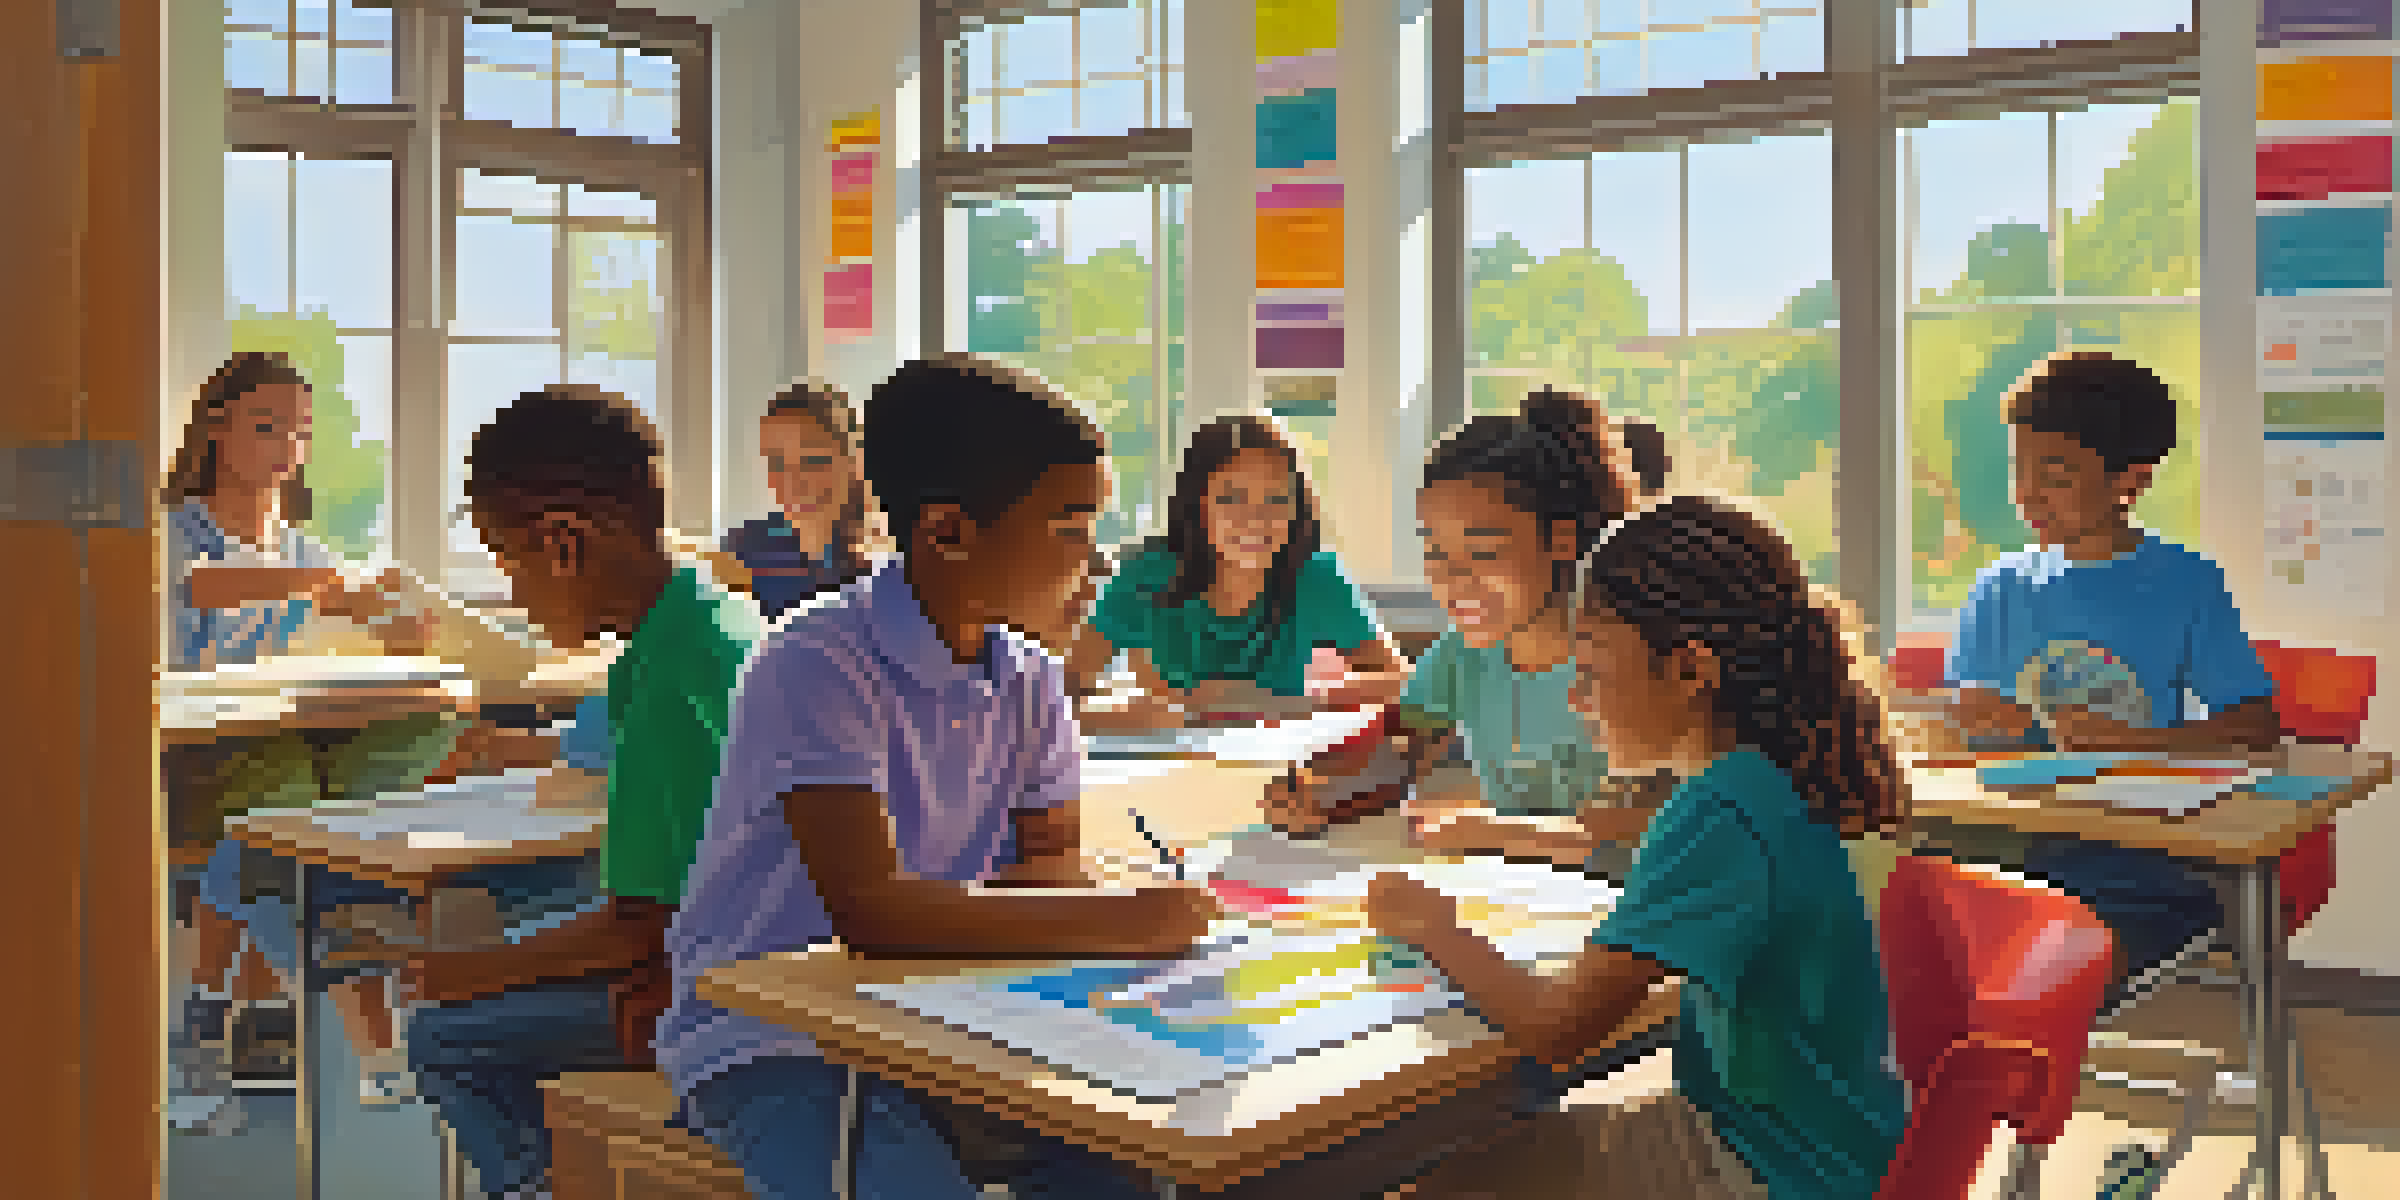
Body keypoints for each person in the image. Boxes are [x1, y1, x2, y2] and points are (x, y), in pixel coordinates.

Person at [656, 355, 1221, 1200]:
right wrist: (1131, 919)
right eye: (1070, 528)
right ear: (948, 531)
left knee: (1141, 1170)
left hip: (950, 1012)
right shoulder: (816, 661)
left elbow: (1048, 865)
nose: (1096, 562)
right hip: (781, 1039)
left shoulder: (1030, 678)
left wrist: (1117, 900)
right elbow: (874, 912)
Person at [1372, 494, 1910, 1198]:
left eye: (1592, 673)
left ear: (1689, 672)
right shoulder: (1775, 777)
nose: (1576, 700)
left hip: (1770, 1171)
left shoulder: (1721, 810)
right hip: (1821, 1144)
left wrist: (1432, 924)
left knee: (1438, 1185)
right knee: (1480, 1165)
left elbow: (1557, 1028)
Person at [401, 385, 764, 1200]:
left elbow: (642, 929)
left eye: (508, 561)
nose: (514, 594)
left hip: (721, 997)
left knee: (440, 1037)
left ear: (564, 542)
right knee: (525, 928)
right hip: (744, 963)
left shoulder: (669, 679)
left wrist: (473, 972)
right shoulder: (718, 619)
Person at [163, 351, 467, 1122]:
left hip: (285, 740)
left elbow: (353, 608)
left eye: (299, 433)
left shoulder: (301, 546)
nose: (287, 449)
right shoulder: (175, 532)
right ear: (217, 428)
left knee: (390, 768)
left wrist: (401, 623)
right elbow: (203, 585)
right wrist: (326, 587)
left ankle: (213, 1019)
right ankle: (369, 1038)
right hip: (197, 751)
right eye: (268, 427)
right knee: (287, 820)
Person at [1943, 351, 2279, 1005]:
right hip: (2005, 846)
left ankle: (2023, 1029)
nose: (2028, 493)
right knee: (1906, 923)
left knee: (2053, 967)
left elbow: (2256, 727)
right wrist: (1973, 721)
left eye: (2057, 474)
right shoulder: (1999, 588)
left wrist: (2132, 742)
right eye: (2019, 469)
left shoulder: (2185, 583)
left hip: (2133, 855)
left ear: (2131, 481)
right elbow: (1966, 717)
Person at [1266, 389, 1655, 871]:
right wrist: (1327, 794)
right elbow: (1402, 748)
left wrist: (1502, 833)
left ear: (1561, 540)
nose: (1452, 579)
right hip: (1529, 894)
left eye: (1483, 552)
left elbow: (1655, 823)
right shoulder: (1464, 650)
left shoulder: (1634, 655)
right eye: (1434, 553)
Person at [1087, 414, 1405, 727]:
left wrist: (1289, 702)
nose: (1255, 518)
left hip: (1281, 751)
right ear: (1197, 504)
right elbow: (1068, 689)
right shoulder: (1145, 572)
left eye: (1276, 499)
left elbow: (1402, 681)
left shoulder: (1315, 575)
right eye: (1232, 498)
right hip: (1168, 751)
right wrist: (1167, 710)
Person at [720, 382, 882, 623]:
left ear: (853, 461)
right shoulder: (741, 552)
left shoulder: (885, 560)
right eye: (778, 463)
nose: (794, 480)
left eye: (813, 460)